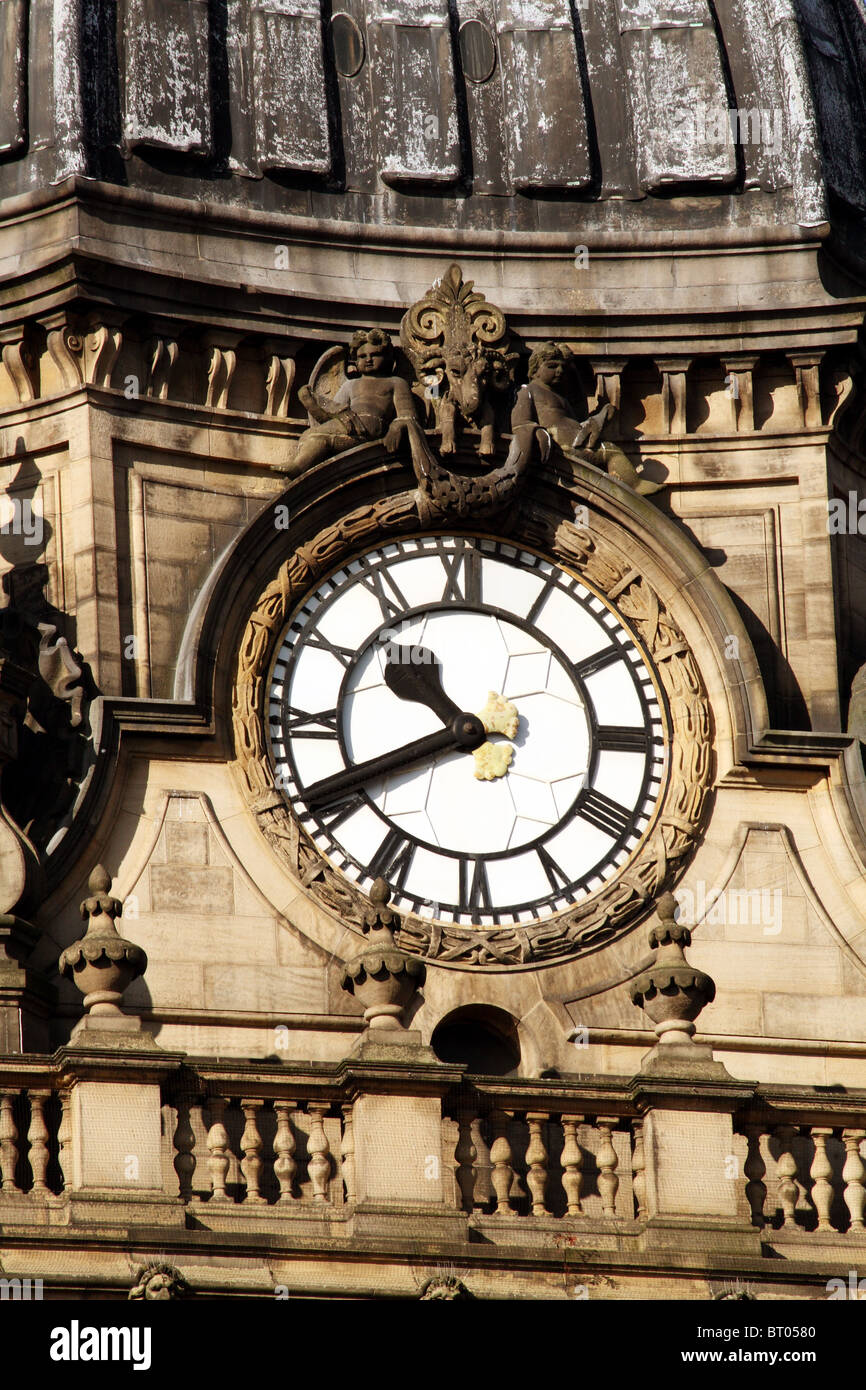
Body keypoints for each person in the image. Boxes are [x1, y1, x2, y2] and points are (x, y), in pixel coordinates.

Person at [511, 342, 663, 495]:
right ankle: (634, 485)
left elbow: (579, 419)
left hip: (577, 442)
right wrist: (538, 434)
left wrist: (603, 414)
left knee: (609, 448)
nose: (559, 371)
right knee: (611, 451)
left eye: (562, 367)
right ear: (535, 370)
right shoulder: (528, 390)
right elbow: (520, 423)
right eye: (552, 366)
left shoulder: (561, 398)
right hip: (561, 447)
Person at [277, 329, 418, 477]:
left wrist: (396, 427)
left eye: (375, 355)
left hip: (373, 427)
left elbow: (408, 416)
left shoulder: (396, 382)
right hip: (352, 425)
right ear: (355, 361)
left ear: (389, 357)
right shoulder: (350, 384)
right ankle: (300, 469)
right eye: (362, 356)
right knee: (314, 438)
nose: (368, 359)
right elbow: (332, 415)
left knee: (314, 435)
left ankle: (299, 468)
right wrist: (309, 401)